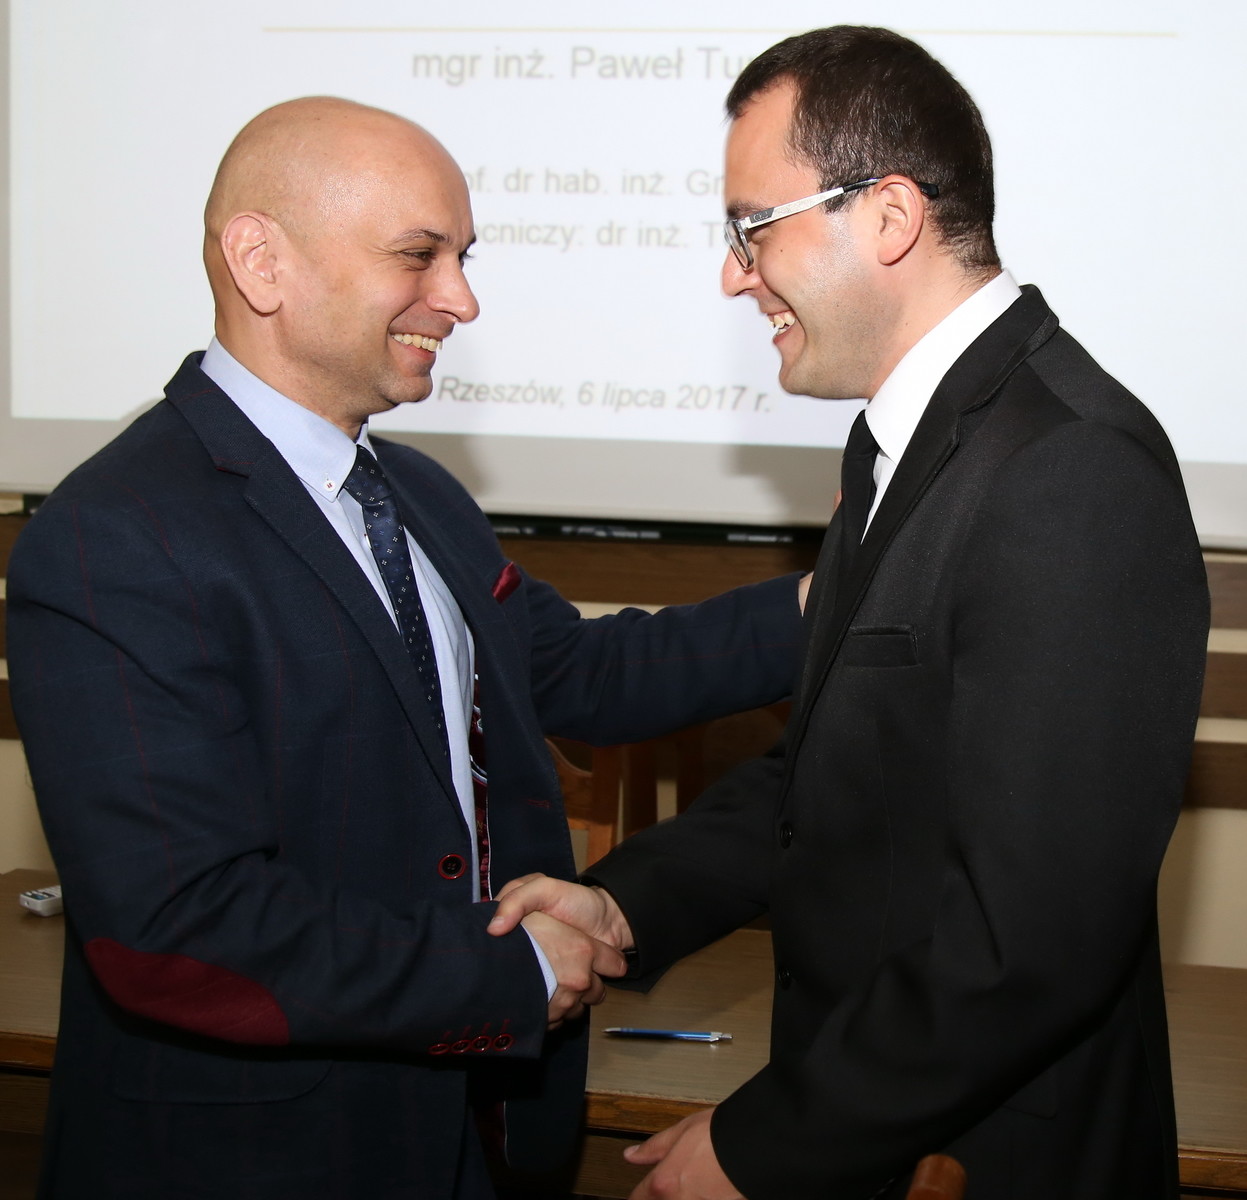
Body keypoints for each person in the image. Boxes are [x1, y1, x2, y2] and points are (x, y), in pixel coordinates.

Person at [5, 97, 809, 1200]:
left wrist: (843, 594)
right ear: (261, 262)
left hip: (465, 1129)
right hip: (260, 1157)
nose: (461, 299)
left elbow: (579, 673)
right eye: (417, 255)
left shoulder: (416, 494)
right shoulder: (113, 537)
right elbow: (179, 924)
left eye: (463, 258)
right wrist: (503, 972)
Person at [489, 26, 1210, 1200]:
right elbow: (836, 777)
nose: (732, 275)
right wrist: (623, 900)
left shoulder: (1066, 470)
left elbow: (1027, 939)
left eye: (751, 228)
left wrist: (762, 1144)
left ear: (887, 216)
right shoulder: (905, 444)